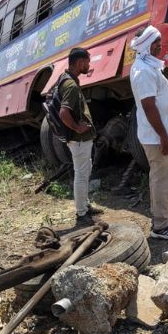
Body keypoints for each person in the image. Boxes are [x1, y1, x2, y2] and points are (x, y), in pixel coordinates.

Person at [129, 26, 168, 240]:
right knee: (162, 179)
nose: (160, 45)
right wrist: (163, 136)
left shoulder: (148, 66)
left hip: (162, 134)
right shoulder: (142, 71)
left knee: (165, 178)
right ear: (145, 45)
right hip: (157, 137)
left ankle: (163, 218)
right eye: (156, 42)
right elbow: (148, 106)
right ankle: (161, 226)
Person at [57, 47, 103, 224]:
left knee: (84, 171)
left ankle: (85, 205)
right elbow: (63, 113)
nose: (89, 65)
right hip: (79, 140)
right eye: (87, 61)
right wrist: (77, 127)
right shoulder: (70, 85)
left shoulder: (66, 79)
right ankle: (82, 213)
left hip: (79, 140)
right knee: (81, 175)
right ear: (79, 62)